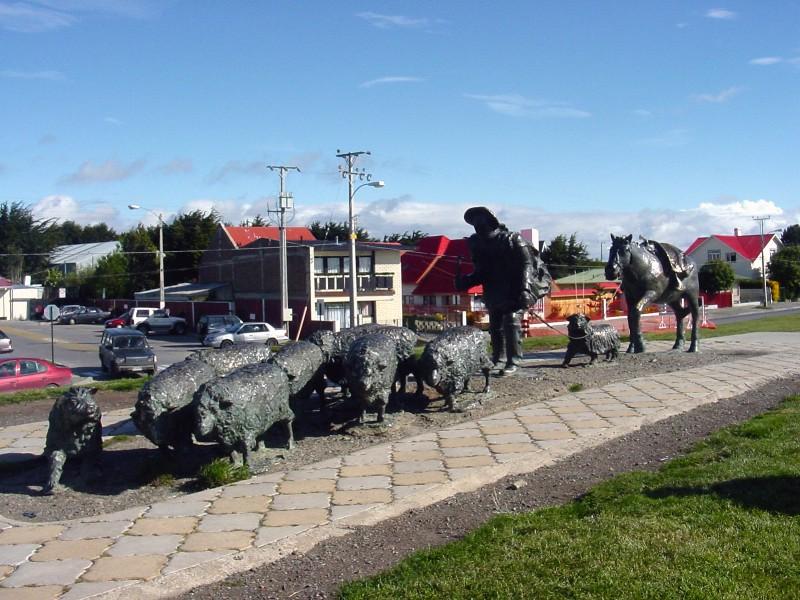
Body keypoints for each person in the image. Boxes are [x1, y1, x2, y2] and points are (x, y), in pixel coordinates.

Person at [455, 207, 539, 375]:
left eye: (481, 221)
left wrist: (525, 288)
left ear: (490, 221)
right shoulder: (476, 243)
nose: (478, 225)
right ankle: (498, 358)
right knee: (495, 326)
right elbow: (481, 271)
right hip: (494, 291)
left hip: (516, 288)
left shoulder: (512, 239)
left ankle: (513, 360)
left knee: (511, 321)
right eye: (475, 223)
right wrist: (467, 281)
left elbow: (527, 265)